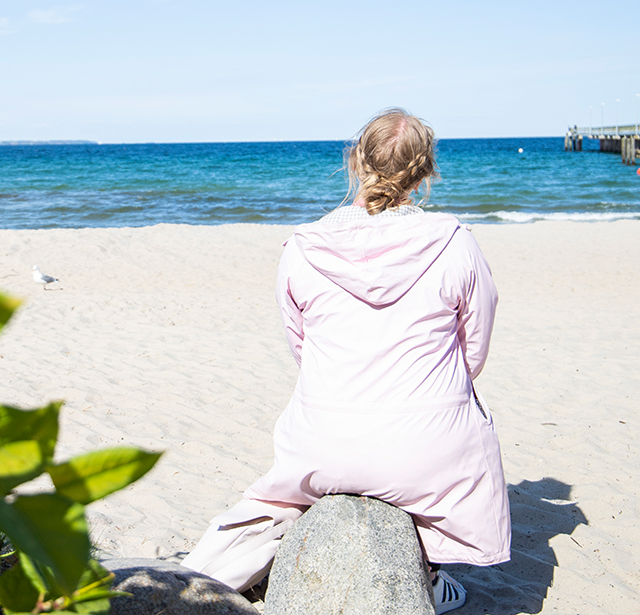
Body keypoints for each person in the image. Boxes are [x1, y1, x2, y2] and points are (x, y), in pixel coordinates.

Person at [181, 108, 509, 614]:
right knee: (460, 435)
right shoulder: (455, 243)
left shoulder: (303, 248)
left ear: (355, 161)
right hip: (429, 445)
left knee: (274, 502)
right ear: (425, 172)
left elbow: (302, 349)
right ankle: (429, 571)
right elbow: (475, 350)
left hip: (324, 439)